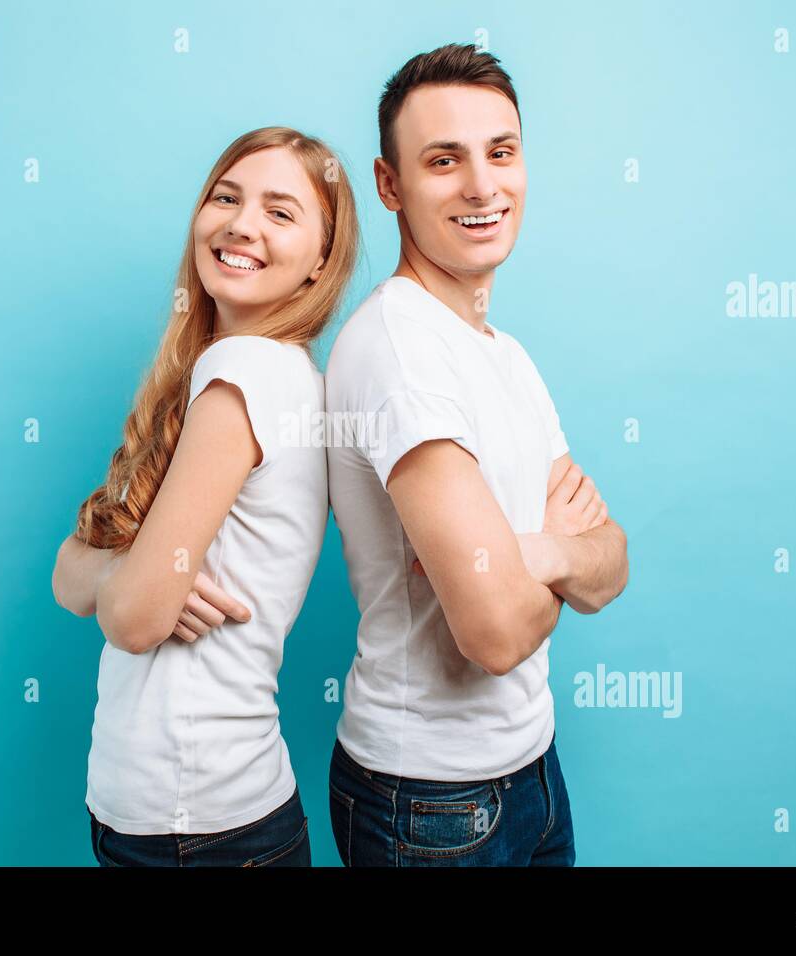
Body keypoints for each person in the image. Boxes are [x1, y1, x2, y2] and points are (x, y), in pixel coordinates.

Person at [324, 43, 630, 866]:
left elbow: (613, 561)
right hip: (430, 806)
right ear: (390, 185)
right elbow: (492, 633)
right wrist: (561, 557)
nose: (483, 186)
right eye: (443, 160)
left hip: (534, 768)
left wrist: (532, 551)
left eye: (501, 152)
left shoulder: (504, 355)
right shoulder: (401, 353)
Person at [52, 126, 359, 866]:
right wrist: (127, 574)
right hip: (189, 819)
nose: (241, 223)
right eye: (226, 197)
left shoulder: (243, 372)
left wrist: (132, 582)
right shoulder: (243, 375)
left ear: (322, 260)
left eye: (281, 212)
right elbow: (72, 573)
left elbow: (130, 618)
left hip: (197, 829)